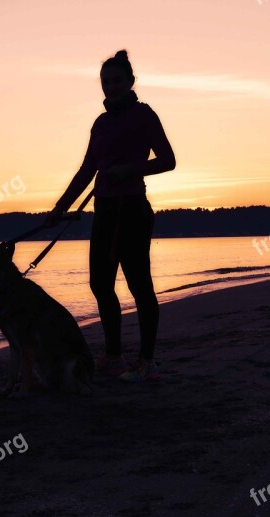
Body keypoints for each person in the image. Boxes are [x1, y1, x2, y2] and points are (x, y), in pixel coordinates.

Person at [44, 49, 176, 382]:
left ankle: (147, 361)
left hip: (132, 208)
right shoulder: (101, 123)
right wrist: (60, 207)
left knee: (139, 285)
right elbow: (87, 169)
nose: (111, 87)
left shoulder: (144, 115)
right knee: (100, 284)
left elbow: (168, 160)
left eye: (117, 80)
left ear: (131, 82)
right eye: (105, 82)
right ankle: (114, 356)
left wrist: (129, 170)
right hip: (103, 210)